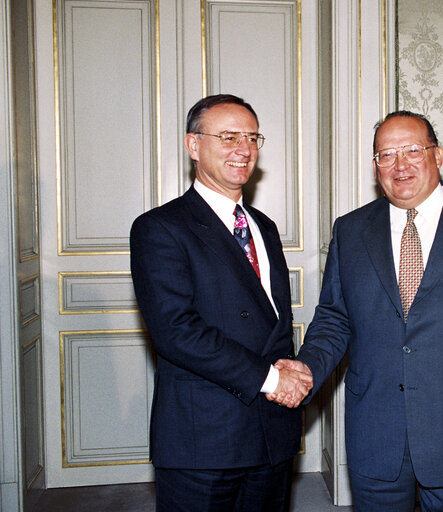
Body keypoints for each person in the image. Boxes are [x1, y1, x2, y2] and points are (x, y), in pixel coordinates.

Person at [273, 111, 443, 511]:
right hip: (375, 429)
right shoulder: (350, 230)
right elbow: (334, 319)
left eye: (412, 151)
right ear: (375, 167)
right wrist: (306, 371)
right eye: (386, 155)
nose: (400, 165)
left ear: (437, 155)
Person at [130, 94, 311, 512]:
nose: (243, 149)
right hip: (204, 439)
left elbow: (273, 327)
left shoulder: (263, 227)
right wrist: (272, 380)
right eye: (228, 137)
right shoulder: (160, 228)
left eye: (251, 137)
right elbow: (177, 332)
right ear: (193, 145)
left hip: (272, 433)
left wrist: (292, 374)